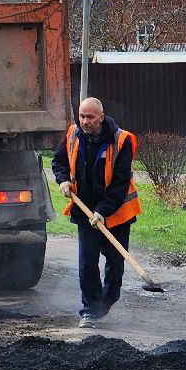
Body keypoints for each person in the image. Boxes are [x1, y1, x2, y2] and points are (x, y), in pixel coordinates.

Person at [51, 97, 142, 329]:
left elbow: (121, 183)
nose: (85, 121)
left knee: (115, 263)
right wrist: (63, 181)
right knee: (87, 262)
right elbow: (58, 161)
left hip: (116, 212)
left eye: (90, 117)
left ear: (101, 117)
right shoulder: (73, 135)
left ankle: (107, 300)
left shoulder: (122, 141)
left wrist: (102, 211)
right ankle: (90, 310)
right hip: (84, 209)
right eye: (82, 116)